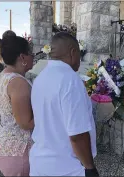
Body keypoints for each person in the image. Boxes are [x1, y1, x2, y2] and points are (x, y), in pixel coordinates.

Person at [30, 32, 99, 176]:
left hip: (39, 163)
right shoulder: (70, 79)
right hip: (65, 167)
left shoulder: (40, 78)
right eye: (80, 55)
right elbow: (77, 135)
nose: (80, 61)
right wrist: (90, 168)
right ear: (73, 53)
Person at [0, 35, 35, 176]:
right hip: (19, 151)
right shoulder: (18, 82)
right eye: (30, 53)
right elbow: (26, 123)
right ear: (22, 57)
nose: (33, 56)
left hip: (7, 146)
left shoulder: (3, 75)